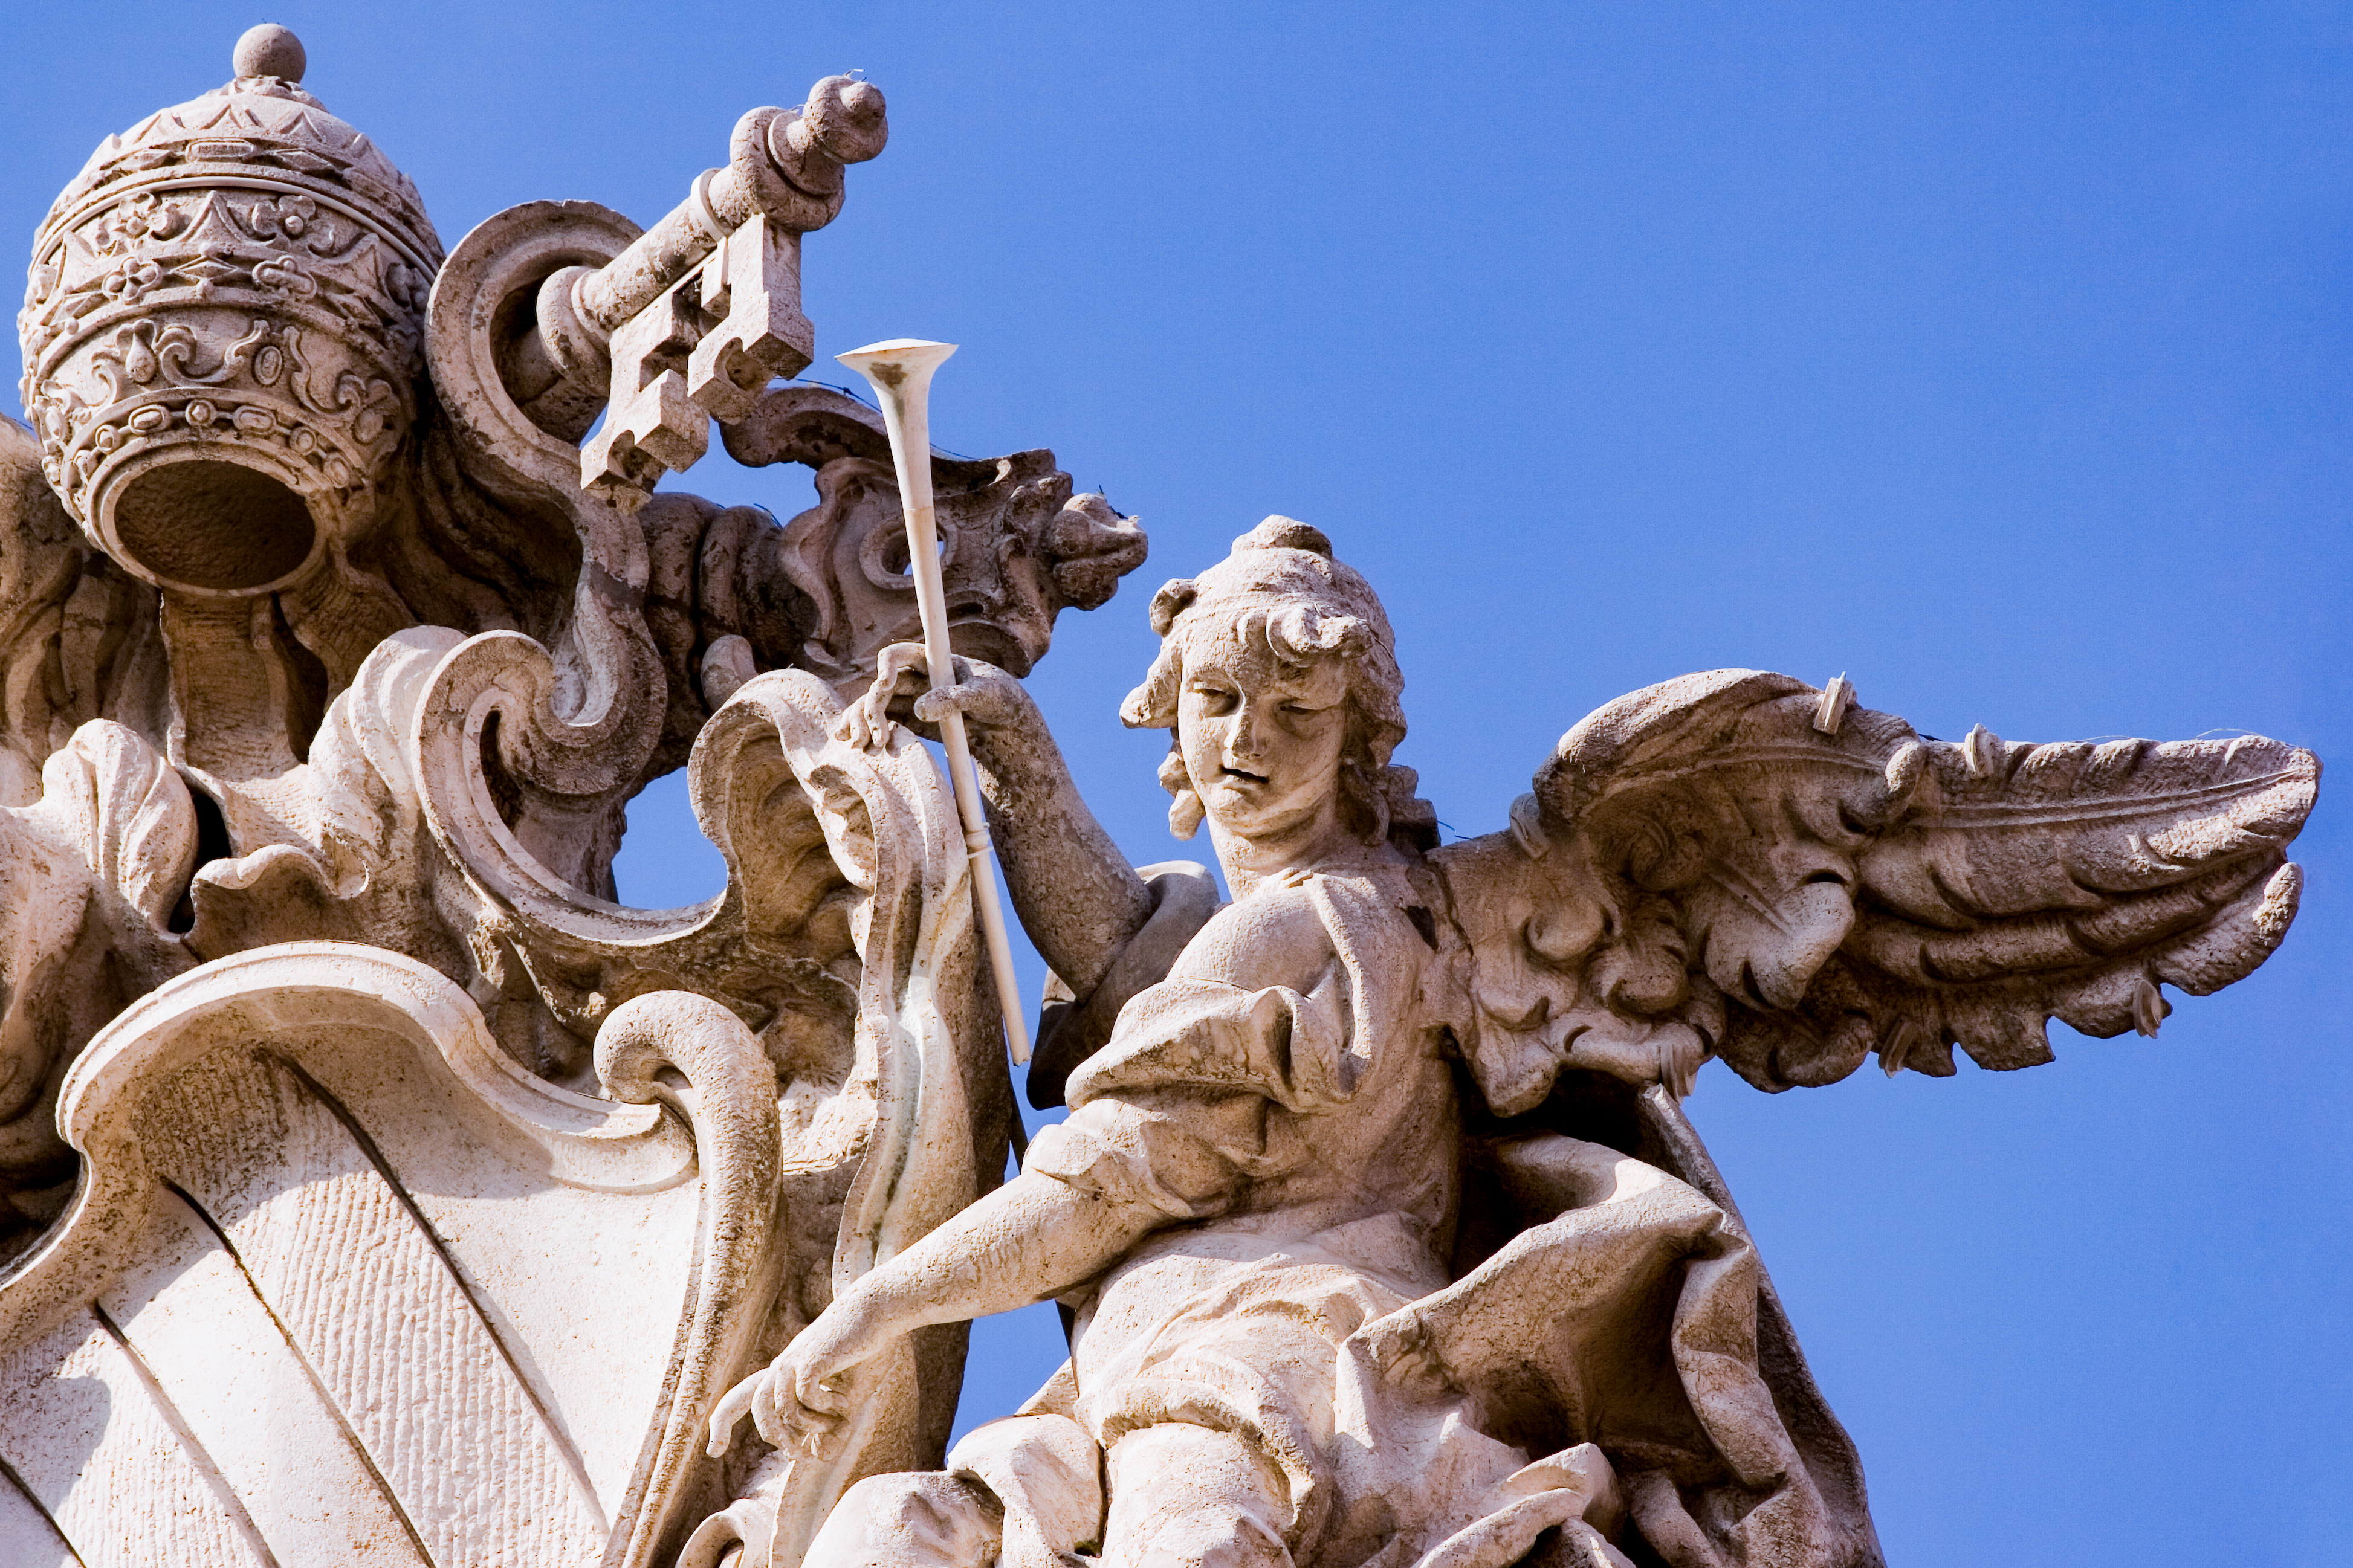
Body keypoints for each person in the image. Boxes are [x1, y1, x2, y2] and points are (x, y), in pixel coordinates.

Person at [710, 519, 1872, 1568]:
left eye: (1296, 713)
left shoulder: (1320, 927)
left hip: (1280, 1363)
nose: (1244, 741)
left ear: (1358, 743)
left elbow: (1098, 1189)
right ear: (1172, 708)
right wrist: (1012, 749)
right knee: (882, 1535)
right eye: (1213, 699)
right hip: (1140, 1369)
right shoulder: (1276, 929)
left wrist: (873, 1309)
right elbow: (1129, 960)